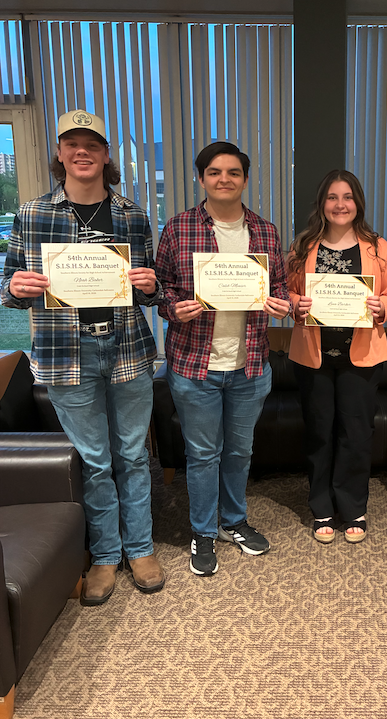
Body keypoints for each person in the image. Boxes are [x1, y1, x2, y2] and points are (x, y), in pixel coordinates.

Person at [0, 109, 165, 605]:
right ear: (59, 152)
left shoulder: (133, 213)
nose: (81, 151)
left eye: (91, 143)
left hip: (128, 348)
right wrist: (14, 285)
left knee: (133, 455)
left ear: (105, 153)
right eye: (71, 143)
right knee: (94, 461)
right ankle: (105, 556)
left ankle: (140, 548)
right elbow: (8, 282)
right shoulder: (32, 214)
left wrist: (151, 284)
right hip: (64, 350)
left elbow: (149, 284)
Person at [156, 141, 290, 576]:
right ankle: (202, 531)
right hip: (195, 365)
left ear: (245, 180)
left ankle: (234, 521)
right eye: (214, 172)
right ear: (201, 178)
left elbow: (282, 289)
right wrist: (173, 307)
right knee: (202, 454)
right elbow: (160, 288)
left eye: (233, 172)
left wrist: (282, 304)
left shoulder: (266, 232)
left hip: (250, 364)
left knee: (240, 451)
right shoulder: (178, 229)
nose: (224, 179)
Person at [287, 170, 387, 544]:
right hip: (313, 355)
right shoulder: (303, 246)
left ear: (358, 203)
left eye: (348, 197)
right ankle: (321, 504)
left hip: (363, 355)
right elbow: (285, 291)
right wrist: (296, 305)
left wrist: (380, 305)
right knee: (320, 431)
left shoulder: (377, 247)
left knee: (356, 432)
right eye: (333, 197)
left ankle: (352, 506)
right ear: (322, 203)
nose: (341, 205)